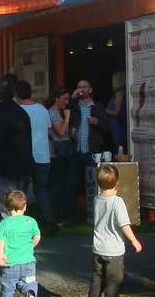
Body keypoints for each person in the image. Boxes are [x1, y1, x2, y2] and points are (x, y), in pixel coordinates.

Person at [86, 164, 142, 297]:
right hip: (113, 250)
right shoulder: (117, 202)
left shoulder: (97, 199)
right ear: (117, 182)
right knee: (113, 280)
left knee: (97, 278)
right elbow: (124, 224)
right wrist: (134, 240)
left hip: (97, 248)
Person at [0, 75, 34, 218]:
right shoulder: (21, 112)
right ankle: (21, 232)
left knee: (6, 202)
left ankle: (11, 234)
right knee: (20, 202)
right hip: (22, 162)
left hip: (4, 164)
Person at [66, 79, 109, 218]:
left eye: (84, 87)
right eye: (79, 87)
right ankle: (72, 214)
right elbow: (63, 113)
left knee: (93, 184)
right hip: (76, 150)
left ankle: (95, 213)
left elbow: (107, 128)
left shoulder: (98, 107)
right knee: (72, 183)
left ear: (90, 90)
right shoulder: (73, 106)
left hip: (91, 151)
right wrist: (72, 98)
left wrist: (98, 122)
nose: (81, 89)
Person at [0, 190, 41, 297]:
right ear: (25, 207)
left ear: (6, 207)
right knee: (28, 282)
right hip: (29, 261)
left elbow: (0, 240)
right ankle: (30, 294)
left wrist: (0, 255)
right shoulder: (31, 221)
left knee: (8, 286)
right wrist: (31, 246)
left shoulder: (4, 223)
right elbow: (37, 237)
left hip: (10, 263)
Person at [15, 79, 54, 227]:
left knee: (22, 188)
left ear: (17, 94)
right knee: (41, 188)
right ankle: (47, 214)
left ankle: (21, 217)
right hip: (43, 155)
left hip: (26, 155)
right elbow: (49, 130)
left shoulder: (19, 110)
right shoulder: (42, 109)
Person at [46, 87, 73, 226]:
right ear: (57, 99)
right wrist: (67, 117)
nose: (66, 102)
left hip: (62, 153)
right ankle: (55, 215)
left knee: (62, 185)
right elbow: (61, 131)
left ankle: (61, 214)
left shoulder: (59, 113)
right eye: (64, 99)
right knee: (56, 186)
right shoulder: (53, 113)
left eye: (68, 99)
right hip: (55, 154)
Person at [105, 70, 127, 155]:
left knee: (119, 148)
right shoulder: (124, 92)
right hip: (117, 127)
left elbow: (119, 112)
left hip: (117, 126)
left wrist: (104, 110)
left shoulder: (119, 93)